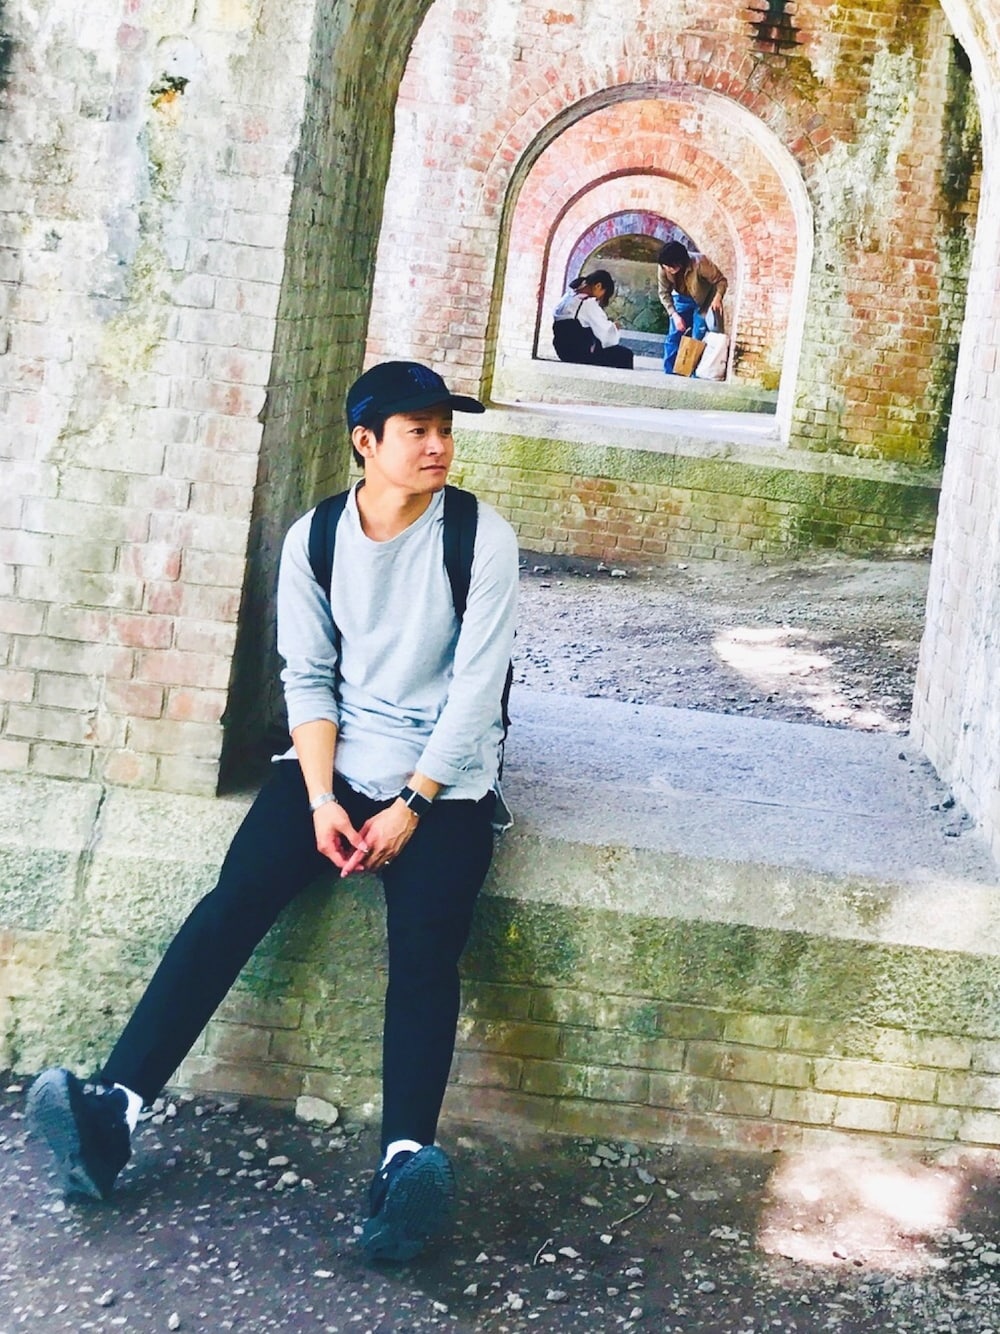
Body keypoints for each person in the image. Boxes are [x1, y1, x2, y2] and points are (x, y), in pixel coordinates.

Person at [27, 360, 520, 1266]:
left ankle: (402, 1167)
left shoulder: (481, 538)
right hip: (336, 758)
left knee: (426, 946)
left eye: (446, 429)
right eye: (418, 430)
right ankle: (112, 1114)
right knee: (232, 904)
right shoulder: (316, 537)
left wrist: (411, 805)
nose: (439, 446)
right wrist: (324, 799)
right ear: (365, 442)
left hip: (443, 777)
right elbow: (310, 677)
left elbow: (477, 690)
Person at [657, 241, 728, 375]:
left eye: (671, 267)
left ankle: (692, 372)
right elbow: (663, 293)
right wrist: (674, 315)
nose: (668, 270)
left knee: (697, 335)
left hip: (704, 301)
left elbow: (721, 281)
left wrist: (717, 298)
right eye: (666, 267)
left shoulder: (700, 262)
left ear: (680, 263)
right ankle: (669, 371)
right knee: (674, 333)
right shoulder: (664, 267)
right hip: (681, 298)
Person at [551, 269, 634, 369]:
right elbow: (605, 333)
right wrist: (614, 327)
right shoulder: (587, 303)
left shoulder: (568, 297)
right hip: (580, 353)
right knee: (625, 355)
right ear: (598, 286)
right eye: (603, 294)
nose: (599, 299)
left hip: (563, 351)